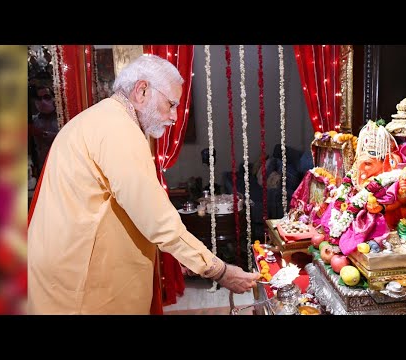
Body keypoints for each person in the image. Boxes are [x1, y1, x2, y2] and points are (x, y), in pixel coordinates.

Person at [28, 54, 259, 315]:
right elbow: (157, 220)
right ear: (142, 90)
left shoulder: (101, 118)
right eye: (170, 104)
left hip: (66, 272)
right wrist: (220, 270)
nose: (173, 117)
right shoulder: (117, 129)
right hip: (81, 285)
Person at [29, 86, 59, 176]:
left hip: (60, 164)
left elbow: (67, 137)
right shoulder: (34, 121)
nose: (43, 101)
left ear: (54, 98)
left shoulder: (62, 117)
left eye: (46, 97)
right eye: (39, 98)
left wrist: (43, 134)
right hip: (42, 167)